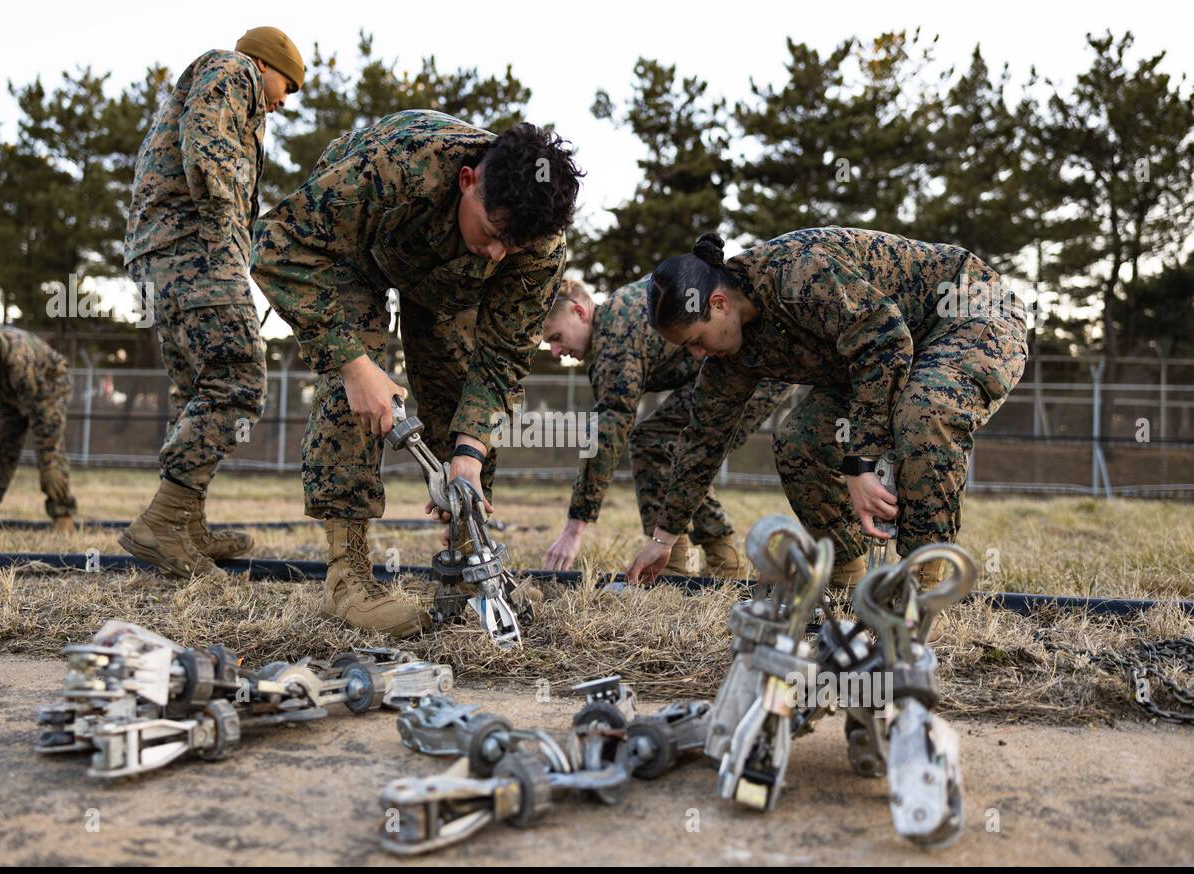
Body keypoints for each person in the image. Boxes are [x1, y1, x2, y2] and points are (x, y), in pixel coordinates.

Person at [252, 109, 583, 636]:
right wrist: (355, 364)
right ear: (467, 181)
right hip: (354, 252)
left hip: (444, 286)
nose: (499, 255)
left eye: (514, 247)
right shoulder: (394, 168)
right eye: (495, 232)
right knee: (357, 376)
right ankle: (347, 578)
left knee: (465, 406)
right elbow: (273, 247)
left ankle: (471, 568)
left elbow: (502, 360)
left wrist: (469, 455)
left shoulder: (535, 239)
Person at [627, 228, 1027, 588]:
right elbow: (704, 440)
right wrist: (663, 538)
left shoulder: (797, 273)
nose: (698, 354)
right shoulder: (730, 353)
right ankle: (846, 577)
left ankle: (920, 590)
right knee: (799, 441)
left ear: (717, 303)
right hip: (883, 354)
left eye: (696, 340)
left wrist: (862, 463)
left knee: (925, 410)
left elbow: (884, 342)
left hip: (966, 311)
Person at [121, 26, 304, 577]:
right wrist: (225, 239)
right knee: (238, 377)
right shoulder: (232, 70)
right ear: (265, 64)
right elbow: (206, 147)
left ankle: (184, 524)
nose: (284, 99)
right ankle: (163, 519)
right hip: (194, 249)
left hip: (169, 250)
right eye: (288, 84)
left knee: (197, 388)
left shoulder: (237, 92)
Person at [540, 277, 794, 576]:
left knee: (663, 443)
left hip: (756, 366)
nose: (556, 351)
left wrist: (574, 528)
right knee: (661, 441)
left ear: (579, 312)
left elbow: (610, 427)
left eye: (556, 337)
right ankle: (700, 557)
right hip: (741, 362)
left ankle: (692, 560)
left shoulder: (614, 335)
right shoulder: (614, 324)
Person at [0, 320, 77, 532]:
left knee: (50, 458)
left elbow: (38, 408)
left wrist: (47, 448)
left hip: (48, 390)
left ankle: (63, 516)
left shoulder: (18, 358)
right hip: (9, 395)